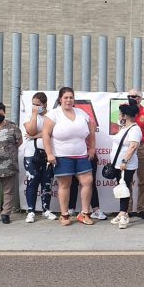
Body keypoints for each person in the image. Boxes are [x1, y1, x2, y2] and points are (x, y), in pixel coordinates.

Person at [42, 86, 97, 226]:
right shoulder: (53, 114)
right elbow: (46, 135)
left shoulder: (82, 113)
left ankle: (84, 213)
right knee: (65, 184)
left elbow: (91, 133)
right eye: (65, 97)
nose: (68, 100)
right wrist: (49, 154)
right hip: (61, 155)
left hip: (81, 155)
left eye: (71, 97)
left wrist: (92, 149)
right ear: (60, 99)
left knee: (88, 181)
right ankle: (65, 215)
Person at [22, 91, 57, 222]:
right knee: (32, 181)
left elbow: (51, 132)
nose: (35, 107)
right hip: (31, 154)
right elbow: (30, 130)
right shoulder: (29, 115)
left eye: (38, 105)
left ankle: (46, 209)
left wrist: (36, 135)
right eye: (33, 104)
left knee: (47, 182)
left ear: (45, 104)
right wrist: (34, 115)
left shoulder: (52, 115)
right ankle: (30, 210)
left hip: (48, 153)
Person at [109, 103, 143, 229]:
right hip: (118, 164)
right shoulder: (123, 127)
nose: (119, 115)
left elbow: (133, 146)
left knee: (124, 187)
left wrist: (124, 161)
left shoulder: (135, 129)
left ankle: (124, 214)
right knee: (121, 187)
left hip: (126, 165)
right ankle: (122, 211)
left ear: (125, 115)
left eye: (120, 113)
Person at [126, 88, 144, 220]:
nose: (131, 98)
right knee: (127, 180)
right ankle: (126, 209)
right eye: (129, 96)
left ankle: (141, 209)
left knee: (142, 180)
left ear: (140, 98)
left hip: (143, 147)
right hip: (129, 147)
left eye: (134, 96)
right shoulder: (125, 110)